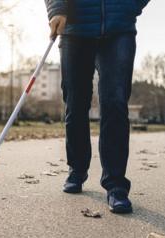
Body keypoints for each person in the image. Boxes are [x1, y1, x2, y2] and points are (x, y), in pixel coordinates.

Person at [45, 0, 149, 214]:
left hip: (118, 28)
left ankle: (116, 185)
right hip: (75, 28)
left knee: (115, 104)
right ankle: (77, 169)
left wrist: (129, 7)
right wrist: (57, 9)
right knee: (75, 103)